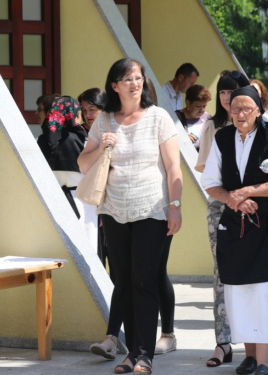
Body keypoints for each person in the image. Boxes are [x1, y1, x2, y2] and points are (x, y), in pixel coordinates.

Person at [78, 58, 182, 375]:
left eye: (138, 78)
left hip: (152, 209)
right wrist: (101, 146)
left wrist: (175, 207)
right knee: (123, 282)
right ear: (114, 85)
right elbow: (84, 163)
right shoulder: (105, 121)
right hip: (113, 210)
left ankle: (144, 355)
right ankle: (131, 355)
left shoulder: (159, 118)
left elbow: (173, 166)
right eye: (128, 79)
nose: (135, 83)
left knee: (144, 280)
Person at [202, 86, 268, 375]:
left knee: (266, 290)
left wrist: (246, 192)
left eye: (246, 108)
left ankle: (263, 361)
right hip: (236, 225)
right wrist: (232, 200)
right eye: (235, 108)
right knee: (238, 289)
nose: (240, 113)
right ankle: (248, 355)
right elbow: (211, 182)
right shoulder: (222, 138)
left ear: (259, 110)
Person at [194, 70, 250, 368]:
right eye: (224, 92)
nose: (227, 97)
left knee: (253, 274)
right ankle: (223, 342)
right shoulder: (212, 126)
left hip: (254, 206)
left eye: (234, 91)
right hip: (220, 205)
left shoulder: (261, 127)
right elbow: (204, 168)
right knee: (221, 274)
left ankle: (255, 343)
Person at [175, 84, 212, 150]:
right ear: (188, 103)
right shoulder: (175, 118)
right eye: (198, 106)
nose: (202, 110)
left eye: (204, 106)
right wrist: (180, 139)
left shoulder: (208, 118)